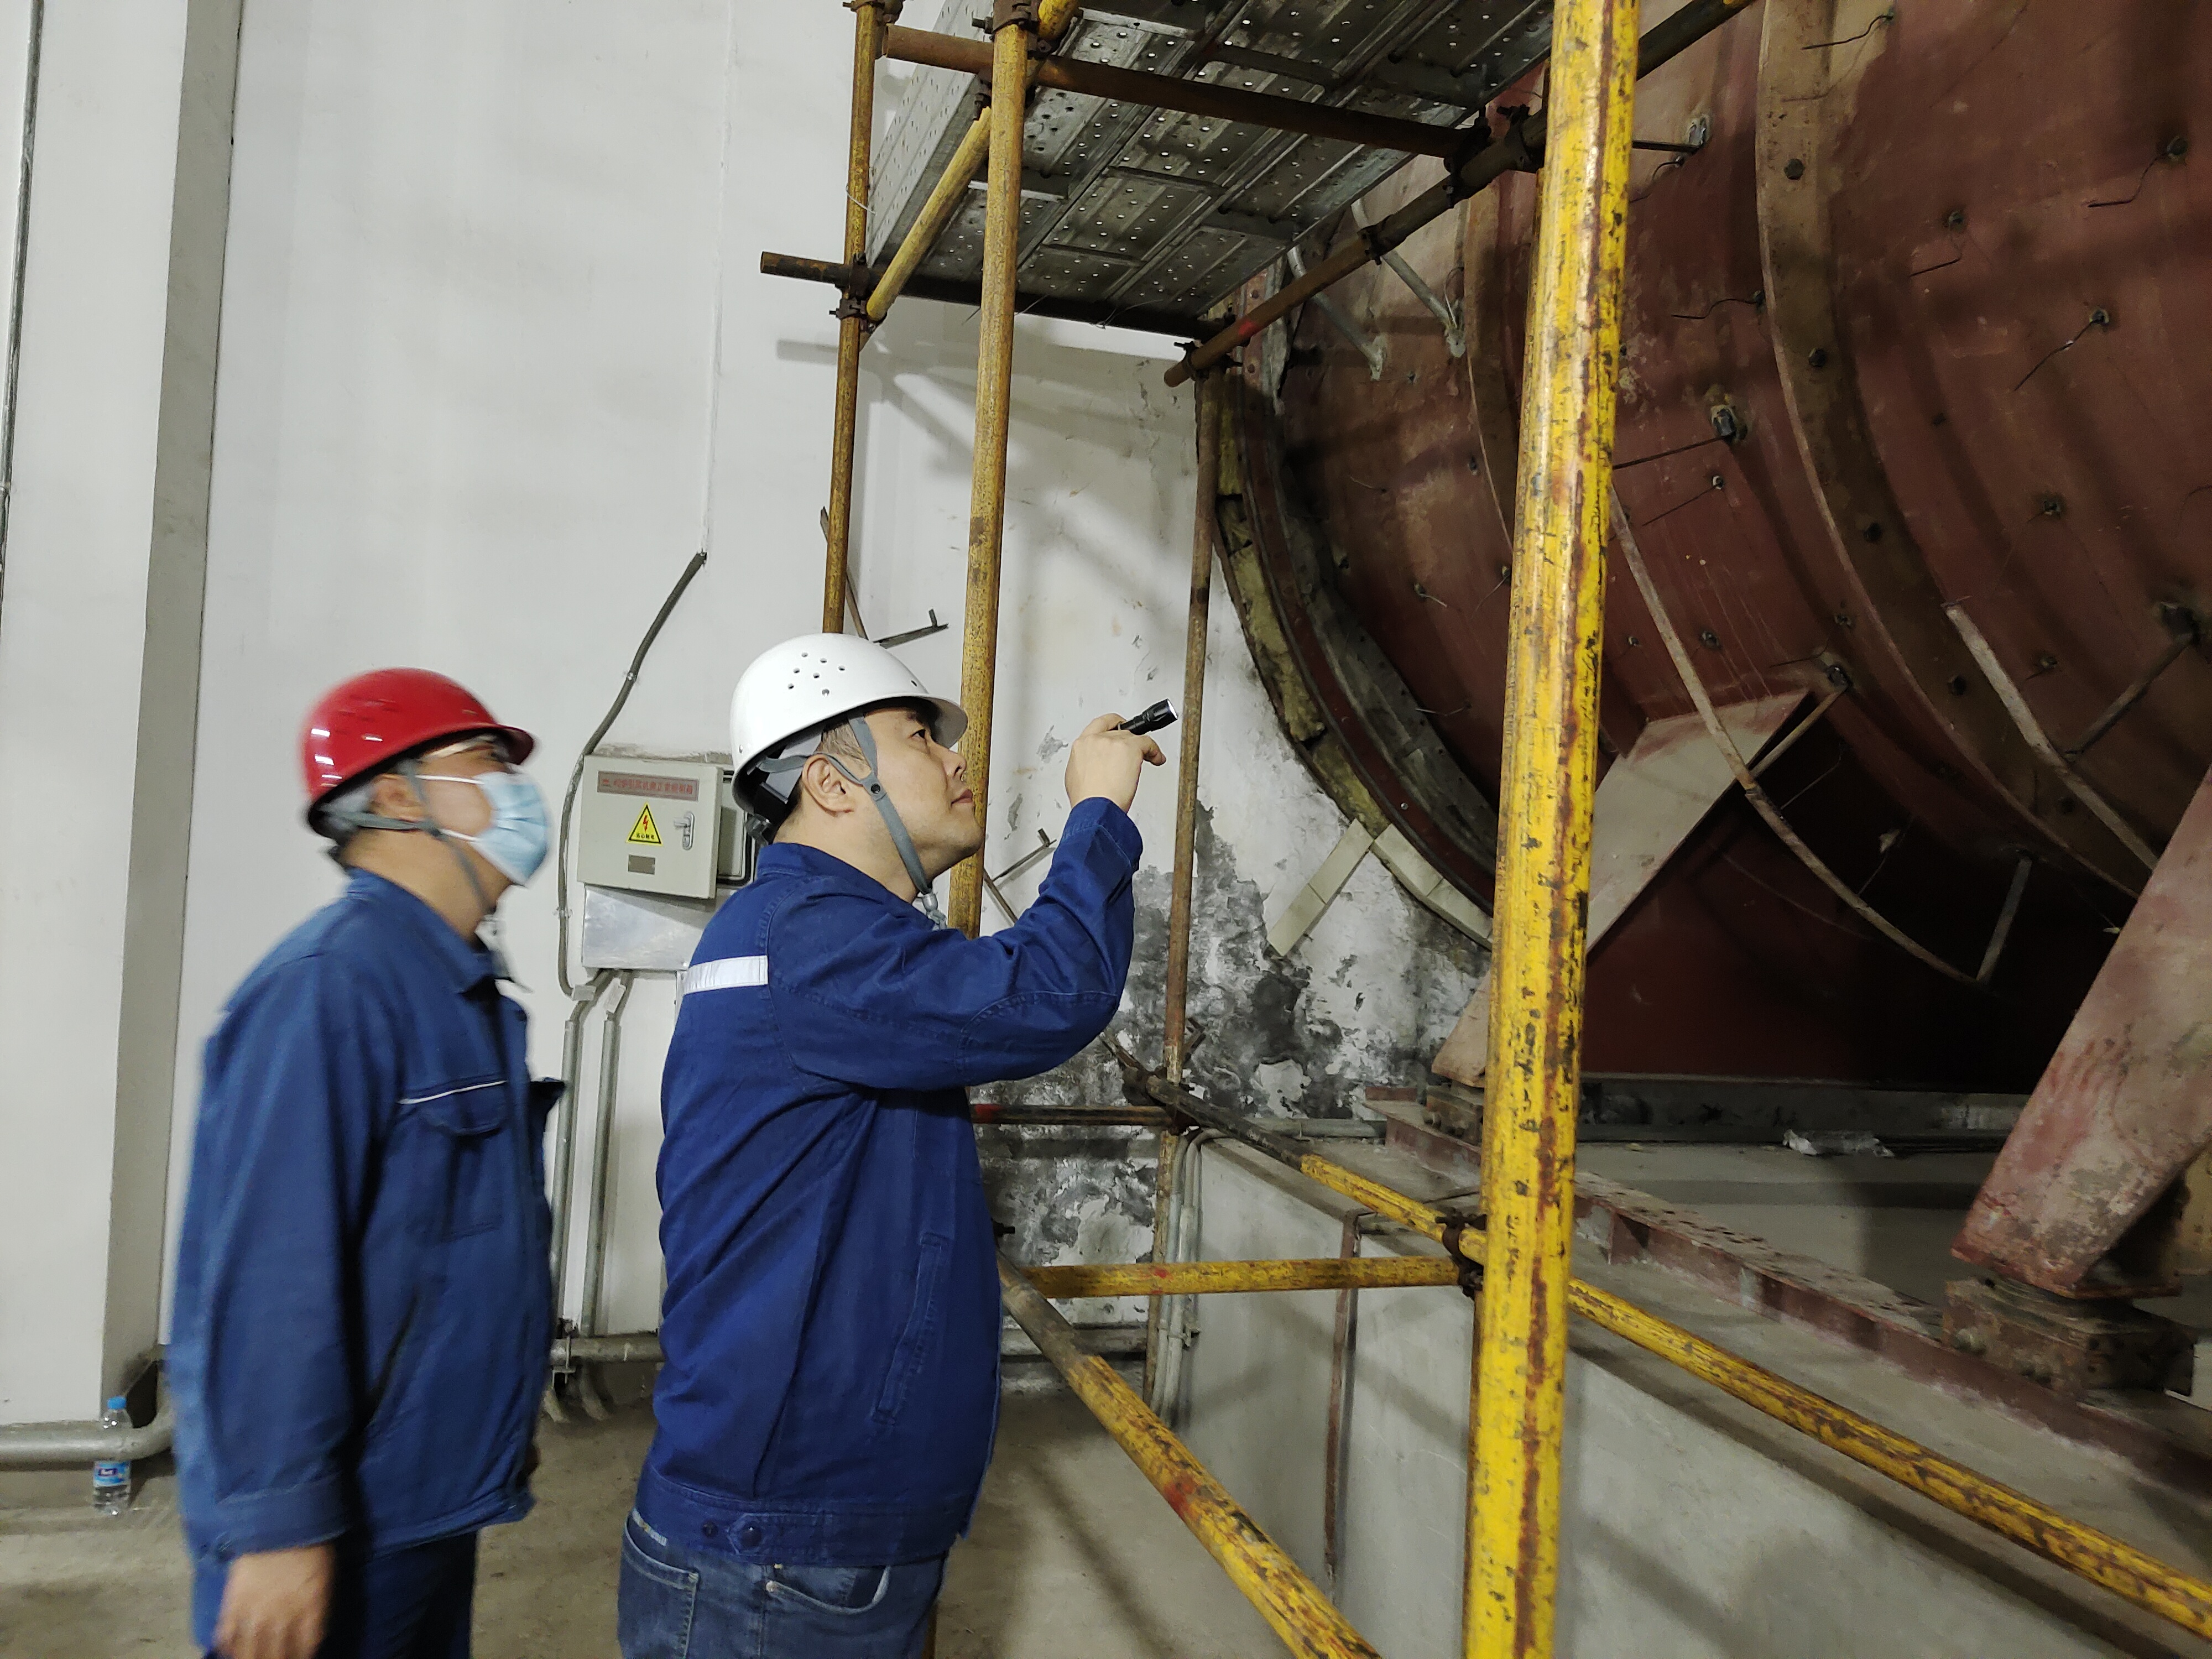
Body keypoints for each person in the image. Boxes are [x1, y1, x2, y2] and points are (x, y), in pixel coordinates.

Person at [619, 633, 1163, 1659]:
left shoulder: (808, 930)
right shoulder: (810, 938)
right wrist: (1097, 814)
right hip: (782, 1547)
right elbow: (1046, 993)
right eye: (921, 737)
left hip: (802, 1524)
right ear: (832, 783)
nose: (957, 758)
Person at [169, 669, 559, 1659]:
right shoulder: (330, 987)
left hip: (427, 1502)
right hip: (343, 1522)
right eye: (487, 762)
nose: (518, 789)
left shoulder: (459, 989)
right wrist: (279, 1527)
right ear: (398, 796)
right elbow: (269, 1280)